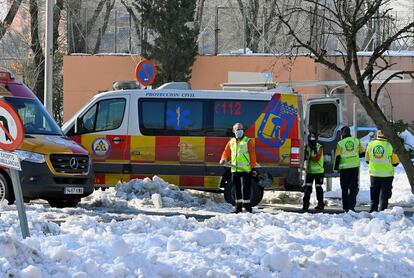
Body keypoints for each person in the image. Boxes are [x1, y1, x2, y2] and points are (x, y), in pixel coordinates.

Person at [220, 123, 257, 213]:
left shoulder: (248, 141)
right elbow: (226, 152)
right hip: (235, 170)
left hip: (245, 170)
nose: (239, 130)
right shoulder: (231, 141)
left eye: (240, 129)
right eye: (237, 129)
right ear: (233, 131)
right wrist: (223, 159)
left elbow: (252, 155)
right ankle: (238, 207)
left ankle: (248, 207)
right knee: (236, 189)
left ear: (243, 130)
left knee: (245, 189)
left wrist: (252, 168)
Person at [366, 130, 399, 212]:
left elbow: (367, 160)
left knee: (374, 198)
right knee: (384, 198)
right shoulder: (390, 145)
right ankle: (382, 215)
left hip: (374, 175)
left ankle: (372, 213)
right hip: (387, 176)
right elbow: (395, 163)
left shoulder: (370, 144)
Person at [334, 126, 365, 212]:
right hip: (354, 168)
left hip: (344, 169)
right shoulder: (356, 141)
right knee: (353, 188)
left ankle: (345, 207)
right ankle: (352, 206)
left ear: (342, 133)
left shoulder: (340, 143)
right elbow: (362, 153)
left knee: (344, 188)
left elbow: (338, 157)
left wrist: (336, 169)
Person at [302, 132, 325, 212]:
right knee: (307, 188)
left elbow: (317, 158)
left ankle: (321, 205)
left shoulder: (319, 147)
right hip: (310, 172)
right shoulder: (307, 147)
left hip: (318, 172)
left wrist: (309, 157)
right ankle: (305, 205)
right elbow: (303, 157)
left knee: (318, 188)